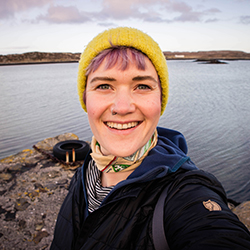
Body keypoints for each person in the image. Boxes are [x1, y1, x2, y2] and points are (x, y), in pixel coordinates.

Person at [50, 27, 250, 249]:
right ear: (86, 98)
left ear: (160, 100)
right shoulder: (87, 169)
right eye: (104, 86)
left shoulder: (185, 194)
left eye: (142, 86)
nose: (123, 107)